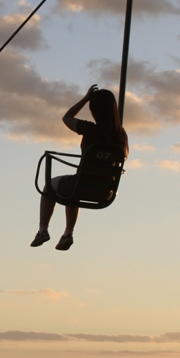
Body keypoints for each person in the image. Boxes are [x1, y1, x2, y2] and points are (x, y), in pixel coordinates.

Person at [30, 84, 128, 251]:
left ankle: (43, 230)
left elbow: (67, 118)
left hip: (81, 186)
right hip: (105, 192)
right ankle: (68, 233)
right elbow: (123, 156)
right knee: (76, 186)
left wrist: (85, 98)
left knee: (51, 187)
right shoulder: (121, 136)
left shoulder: (90, 129)